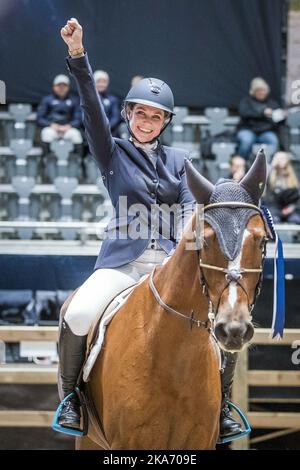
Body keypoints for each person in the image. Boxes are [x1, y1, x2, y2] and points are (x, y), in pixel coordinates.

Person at [57, 17, 243, 440]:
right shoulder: (112, 152)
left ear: (165, 122)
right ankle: (71, 399)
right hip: (124, 265)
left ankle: (225, 407)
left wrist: (181, 246)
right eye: (141, 113)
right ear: (129, 114)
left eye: (156, 116)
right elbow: (89, 106)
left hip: (172, 267)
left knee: (220, 325)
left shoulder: (181, 161)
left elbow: (190, 204)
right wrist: (78, 56)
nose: (147, 121)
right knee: (81, 311)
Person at [236, 77, 285, 160]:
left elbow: (278, 121)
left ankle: (270, 166)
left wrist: (282, 116)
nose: (261, 93)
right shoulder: (246, 102)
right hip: (248, 130)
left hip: (265, 132)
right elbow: (244, 113)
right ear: (253, 91)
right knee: (246, 141)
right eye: (258, 90)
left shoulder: (272, 103)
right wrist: (262, 112)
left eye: (263, 90)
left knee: (274, 141)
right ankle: (241, 163)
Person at [37, 74, 83, 144]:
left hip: (68, 128)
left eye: (64, 86)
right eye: (59, 85)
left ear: (68, 87)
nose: (61, 88)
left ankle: (77, 155)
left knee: (76, 135)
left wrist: (70, 125)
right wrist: (50, 124)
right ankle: (47, 155)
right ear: (54, 87)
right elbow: (40, 118)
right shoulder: (47, 100)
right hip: (52, 128)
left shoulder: (74, 100)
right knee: (47, 134)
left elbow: (78, 118)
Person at [264, 151, 300, 223]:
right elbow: (267, 196)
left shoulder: (295, 175)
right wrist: (272, 166)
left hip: (291, 208)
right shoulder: (270, 175)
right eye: (278, 158)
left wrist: (291, 208)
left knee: (295, 220)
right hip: (274, 208)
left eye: (283, 158)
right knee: (274, 219)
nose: (281, 161)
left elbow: (297, 198)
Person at [93, 69, 121, 135]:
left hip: (109, 130)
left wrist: (107, 127)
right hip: (92, 130)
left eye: (104, 82)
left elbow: (115, 117)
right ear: (94, 82)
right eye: (98, 82)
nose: (101, 84)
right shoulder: (88, 99)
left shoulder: (113, 99)